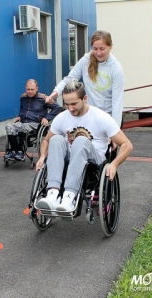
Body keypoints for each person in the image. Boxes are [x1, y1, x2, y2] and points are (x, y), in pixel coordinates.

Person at [36, 79, 133, 212]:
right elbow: (46, 140)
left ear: (85, 98)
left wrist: (114, 164)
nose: (70, 108)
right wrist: (42, 157)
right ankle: (52, 194)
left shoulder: (101, 117)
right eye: (67, 104)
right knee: (56, 139)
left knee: (80, 141)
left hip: (94, 161)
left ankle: (69, 197)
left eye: (74, 104)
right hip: (69, 159)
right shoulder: (62, 117)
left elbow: (127, 144)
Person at [46, 30, 124, 128]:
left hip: (108, 117)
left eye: (102, 49)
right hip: (89, 116)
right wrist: (57, 91)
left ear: (110, 47)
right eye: (95, 49)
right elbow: (70, 78)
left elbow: (117, 102)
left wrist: (115, 127)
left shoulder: (116, 68)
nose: (98, 53)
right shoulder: (85, 60)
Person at [4, 79, 61, 161]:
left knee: (22, 128)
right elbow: (22, 108)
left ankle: (20, 151)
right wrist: (20, 116)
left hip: (36, 124)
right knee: (9, 127)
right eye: (28, 89)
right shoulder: (23, 97)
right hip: (23, 122)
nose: (30, 91)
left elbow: (57, 108)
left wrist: (47, 118)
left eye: (32, 89)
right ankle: (14, 150)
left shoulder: (43, 98)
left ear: (37, 88)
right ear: (25, 88)